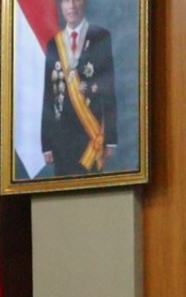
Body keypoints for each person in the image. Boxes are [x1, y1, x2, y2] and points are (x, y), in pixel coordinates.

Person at [41, 0, 117, 176]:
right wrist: (46, 144)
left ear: (85, 3)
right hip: (61, 138)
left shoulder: (100, 37)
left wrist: (110, 139)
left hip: (91, 134)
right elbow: (48, 96)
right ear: (60, 6)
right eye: (66, 1)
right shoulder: (54, 44)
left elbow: (108, 89)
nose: (72, 6)